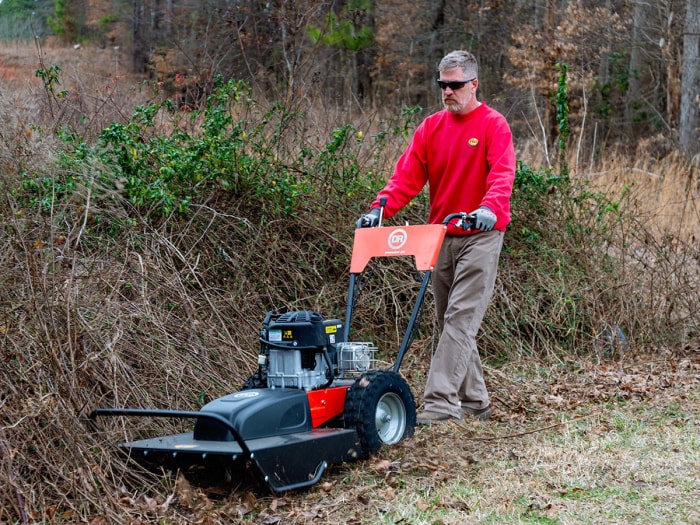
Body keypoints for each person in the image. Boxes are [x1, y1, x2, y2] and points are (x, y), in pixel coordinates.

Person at [356, 50, 515, 424]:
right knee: (449, 322)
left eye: (455, 85)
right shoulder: (430, 128)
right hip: (440, 236)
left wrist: (488, 210)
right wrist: (379, 210)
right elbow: (405, 179)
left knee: (460, 321)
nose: (447, 91)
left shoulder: (494, 125)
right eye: (442, 84)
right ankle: (476, 401)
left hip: (482, 234)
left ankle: (441, 404)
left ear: (473, 84)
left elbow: (502, 176)